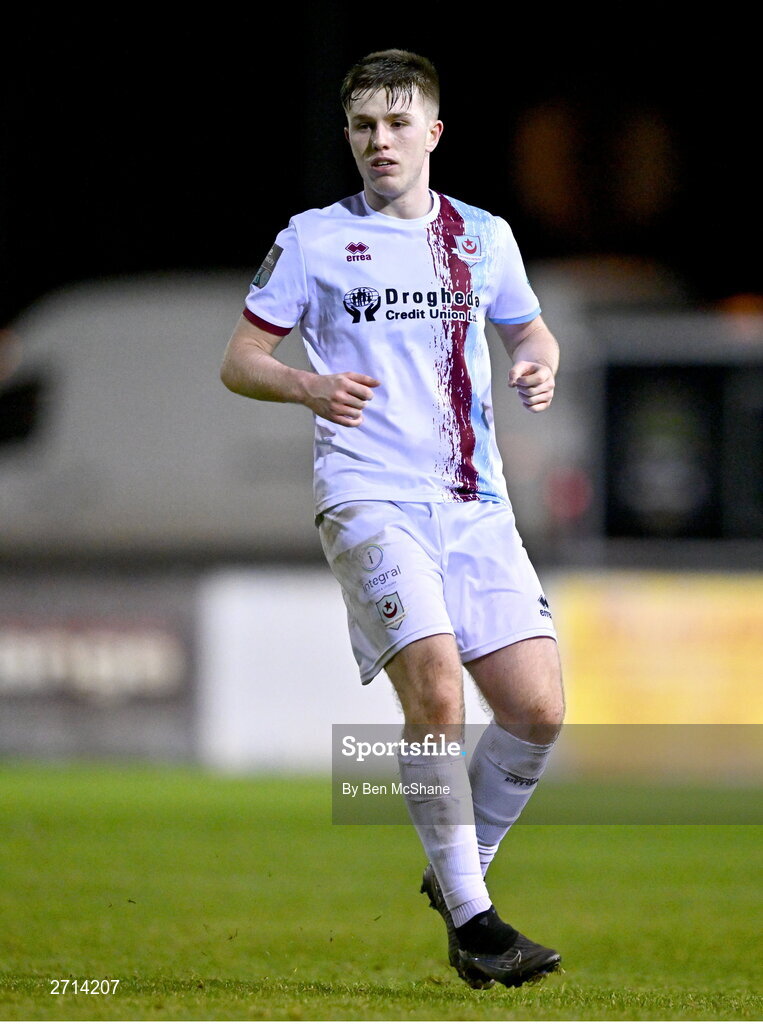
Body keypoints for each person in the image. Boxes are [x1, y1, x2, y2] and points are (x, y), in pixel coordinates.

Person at [220, 48, 565, 990]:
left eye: (398, 122)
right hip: (369, 494)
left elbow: (527, 328)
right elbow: (240, 359)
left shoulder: (483, 236)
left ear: (433, 132)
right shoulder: (313, 239)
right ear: (349, 136)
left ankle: (458, 886)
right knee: (437, 697)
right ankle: (479, 924)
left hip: (474, 502)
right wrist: (306, 384)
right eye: (364, 125)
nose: (381, 140)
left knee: (537, 708)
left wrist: (538, 359)